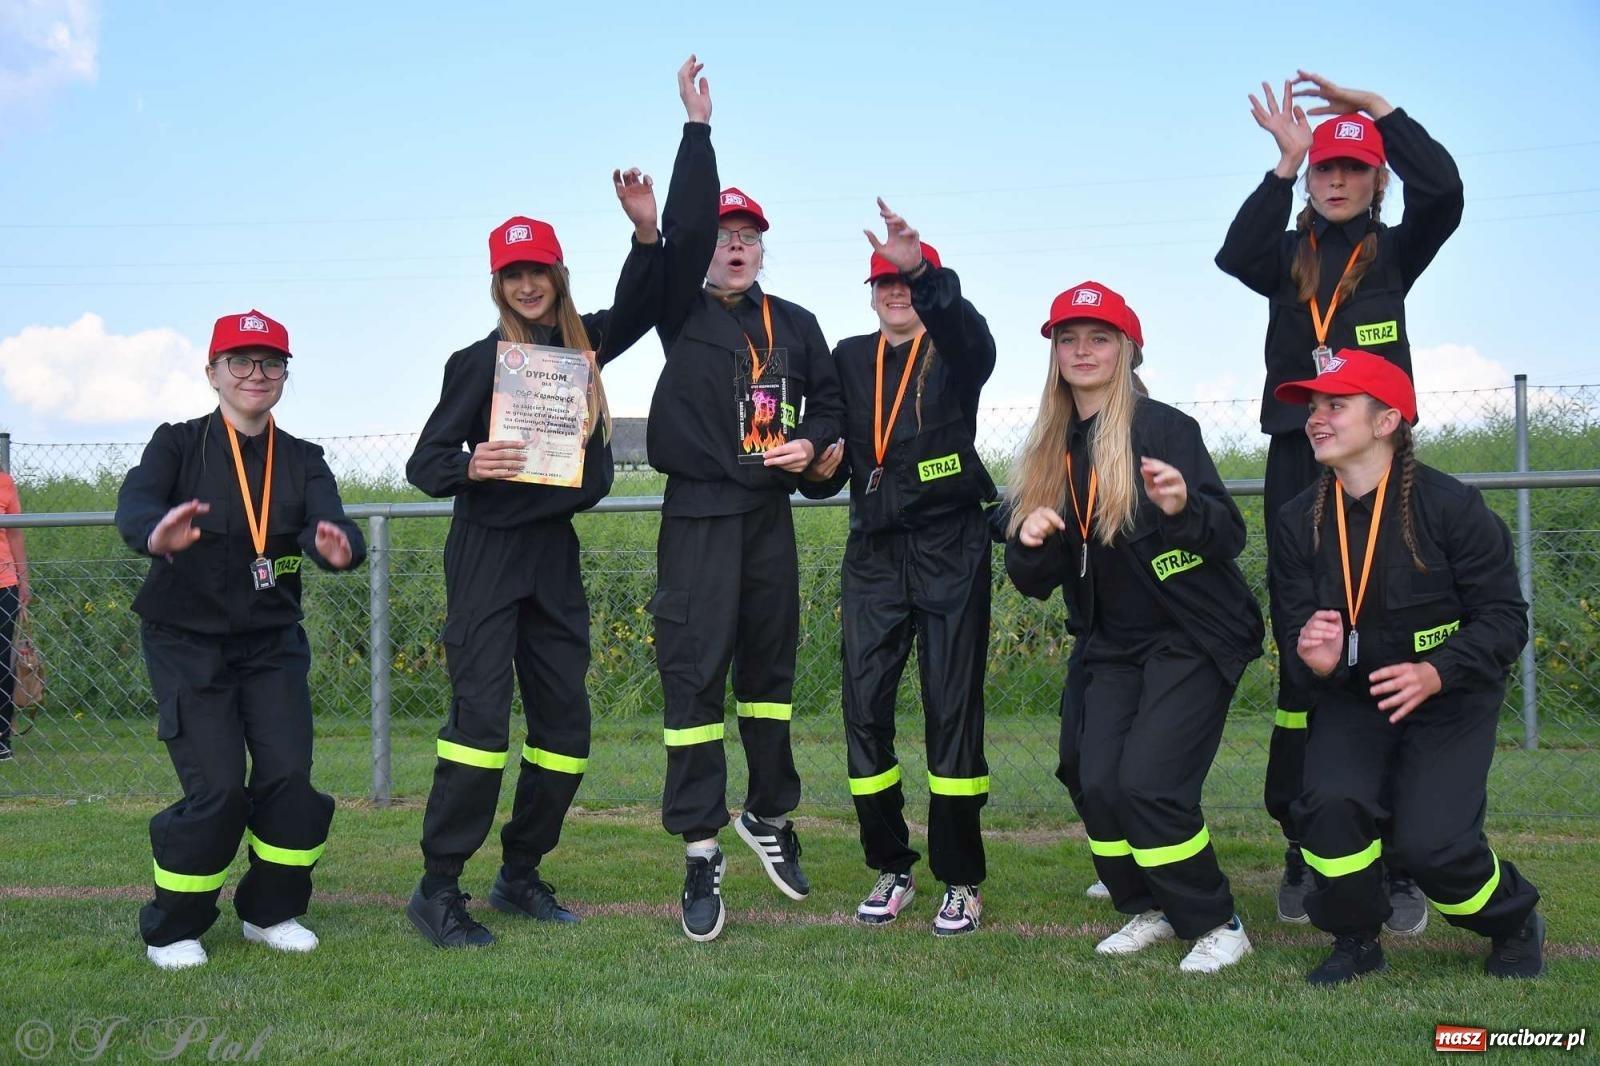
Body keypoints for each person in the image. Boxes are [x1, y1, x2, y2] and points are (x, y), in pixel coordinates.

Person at [1214, 71, 1463, 932]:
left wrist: (1383, 112)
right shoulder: (1289, 255)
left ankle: (1393, 858)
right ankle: (1306, 843)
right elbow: (1235, 255)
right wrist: (1281, 165)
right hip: (1300, 453)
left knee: (1383, 630)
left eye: (1354, 169)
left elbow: (1447, 190)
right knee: (1306, 645)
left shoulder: (1395, 250)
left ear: (1377, 179)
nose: (1337, 179)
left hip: (1379, 458)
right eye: (1326, 167)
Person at [402, 134, 665, 948]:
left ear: (557, 278)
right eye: (512, 273)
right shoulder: (476, 363)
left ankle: (520, 872)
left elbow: (650, 304)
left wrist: (646, 235)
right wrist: (469, 461)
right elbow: (423, 463)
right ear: (499, 285)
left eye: (538, 270)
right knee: (479, 729)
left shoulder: (581, 353)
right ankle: (438, 887)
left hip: (553, 557)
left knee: (564, 732)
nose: (526, 283)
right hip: (486, 555)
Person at [1004, 281, 1262, 973]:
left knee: (1150, 783)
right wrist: (1028, 541)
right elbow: (1032, 581)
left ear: (1127, 350)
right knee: (1092, 778)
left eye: (1099, 338)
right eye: (1068, 338)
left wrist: (1180, 507)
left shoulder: (1165, 428)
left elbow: (1227, 533)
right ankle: (1145, 904)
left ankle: (1216, 921)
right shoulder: (1050, 446)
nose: (1082, 350)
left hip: (1191, 633)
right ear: (1053, 352)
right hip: (1109, 642)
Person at [646, 57, 844, 942]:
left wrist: (815, 452)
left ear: (764, 248)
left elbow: (834, 411)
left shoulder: (796, 324)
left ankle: (768, 811)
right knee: (695, 682)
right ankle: (700, 851)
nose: (733, 244)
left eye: (748, 236)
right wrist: (698, 131)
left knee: (768, 678)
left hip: (767, 518)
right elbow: (682, 225)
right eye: (724, 233)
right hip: (696, 519)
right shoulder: (676, 310)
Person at [1272, 348, 1544, 984]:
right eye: (1313, 408)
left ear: (1387, 419)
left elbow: (1506, 619)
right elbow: (1293, 626)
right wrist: (1315, 658)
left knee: (1433, 849)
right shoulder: (1297, 521)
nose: (1316, 419)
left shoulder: (1451, 508)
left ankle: (1511, 920)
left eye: (1335, 405)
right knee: (1328, 808)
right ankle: (1355, 938)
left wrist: (1437, 671)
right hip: (1352, 696)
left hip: (1449, 697)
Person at [115, 310, 366, 970]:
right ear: (213, 373)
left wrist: (335, 547)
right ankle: (174, 927)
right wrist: (154, 532)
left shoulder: (304, 460)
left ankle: (270, 911)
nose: (257, 374)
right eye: (241, 362)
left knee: (288, 776)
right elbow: (135, 505)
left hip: (271, 644)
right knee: (220, 788)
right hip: (185, 641)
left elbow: (332, 525)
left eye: (271, 362)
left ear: (285, 373)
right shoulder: (176, 444)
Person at [799, 201, 997, 934]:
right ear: (870, 291)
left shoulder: (955, 349)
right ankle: (891, 865)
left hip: (950, 546)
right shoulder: (849, 357)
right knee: (864, 711)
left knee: (951, 712)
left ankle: (961, 879)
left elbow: (969, 333)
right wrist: (816, 466)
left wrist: (925, 271)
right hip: (875, 553)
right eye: (883, 281)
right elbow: (832, 444)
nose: (895, 292)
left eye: (905, 281)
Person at [0, 467, 30, 761]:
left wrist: (24, 580)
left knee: (1, 661)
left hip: (3, 584)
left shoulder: (4, 483)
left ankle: (1, 737)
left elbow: (15, 533)